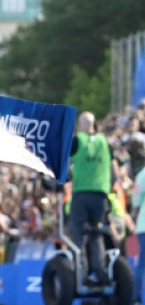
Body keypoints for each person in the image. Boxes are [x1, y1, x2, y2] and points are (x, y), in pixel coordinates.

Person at [69, 111, 112, 283]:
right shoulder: (104, 142)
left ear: (81, 125)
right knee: (97, 232)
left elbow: (65, 160)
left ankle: (82, 272)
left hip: (81, 192)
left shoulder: (77, 140)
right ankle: (102, 272)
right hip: (101, 194)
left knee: (77, 231)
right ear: (93, 125)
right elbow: (114, 166)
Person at [132, 160, 145, 305]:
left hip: (143, 227)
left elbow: (135, 204)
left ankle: (135, 299)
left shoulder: (142, 175)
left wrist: (132, 216)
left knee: (141, 265)